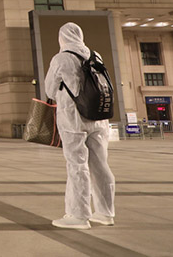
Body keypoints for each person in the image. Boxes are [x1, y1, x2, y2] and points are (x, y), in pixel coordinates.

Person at [45, 22, 116, 229]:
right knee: (101, 165)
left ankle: (79, 215)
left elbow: (50, 90)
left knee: (77, 165)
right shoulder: (96, 56)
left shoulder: (61, 58)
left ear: (62, 38)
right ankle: (105, 213)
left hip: (73, 119)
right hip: (99, 118)